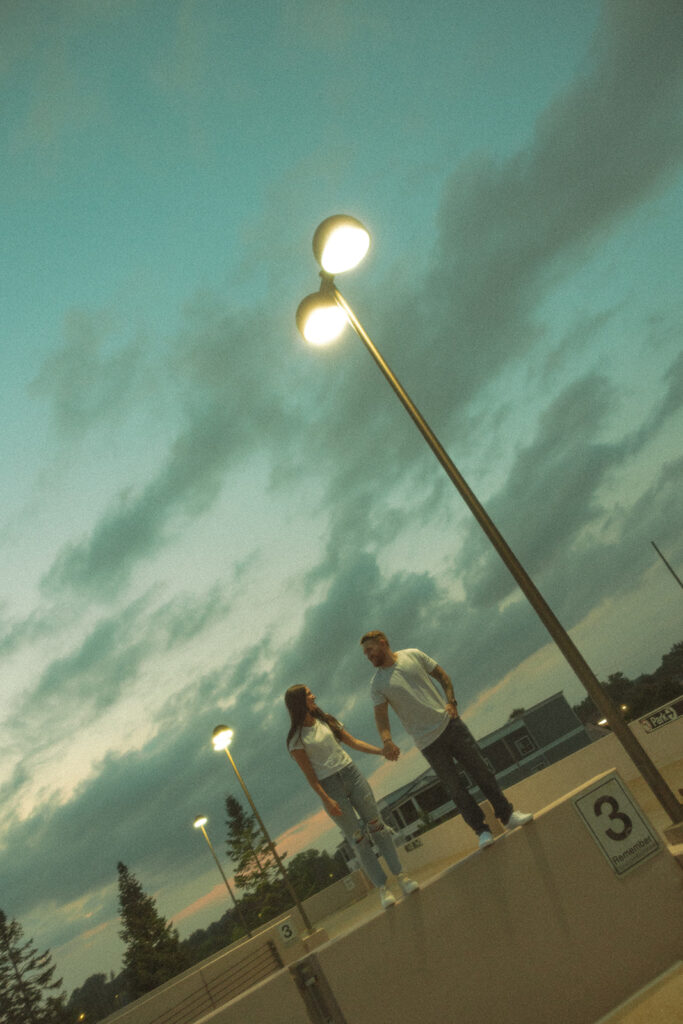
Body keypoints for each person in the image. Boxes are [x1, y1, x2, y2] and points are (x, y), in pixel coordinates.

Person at [360, 631, 533, 849]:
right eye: (365, 652)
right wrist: (387, 741)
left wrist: (451, 702)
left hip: (451, 725)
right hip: (427, 742)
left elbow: (443, 677)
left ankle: (508, 817)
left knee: (482, 772)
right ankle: (481, 831)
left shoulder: (413, 655)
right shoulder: (377, 684)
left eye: (370, 650)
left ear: (383, 643)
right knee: (456, 789)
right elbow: (382, 718)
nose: (367, 655)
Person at [285, 684, 420, 909]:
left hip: (351, 774)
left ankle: (402, 877)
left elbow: (353, 742)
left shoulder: (327, 720)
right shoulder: (295, 739)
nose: (314, 695)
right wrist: (326, 799)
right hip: (330, 787)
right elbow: (311, 777)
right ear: (299, 701)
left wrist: (382, 751)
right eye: (309, 694)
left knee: (377, 825)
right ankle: (383, 888)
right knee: (358, 838)